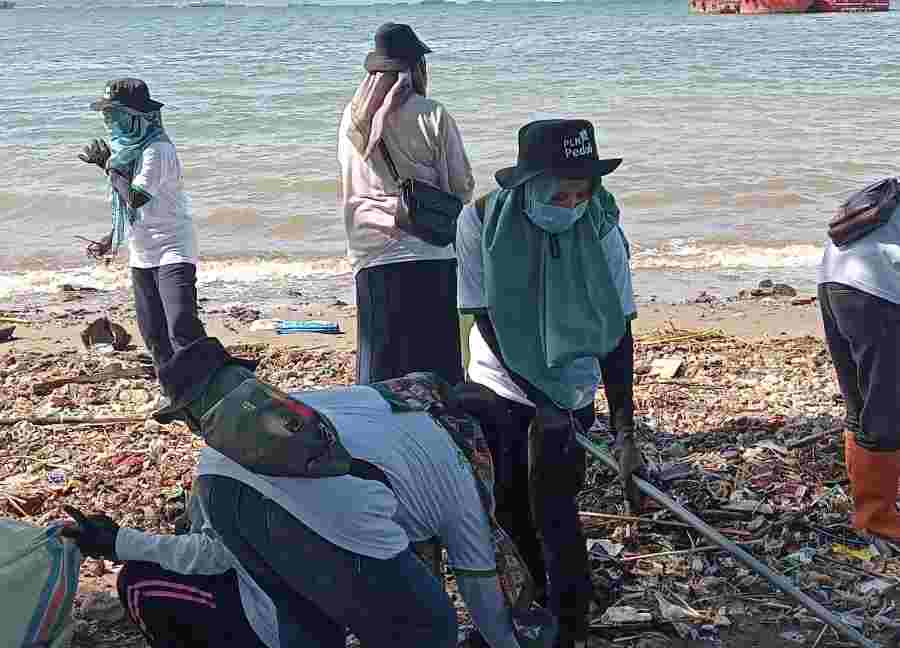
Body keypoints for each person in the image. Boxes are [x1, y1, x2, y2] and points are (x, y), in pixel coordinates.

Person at [62, 336, 542, 648]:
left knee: (304, 625)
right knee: (430, 630)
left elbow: (213, 554)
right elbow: (479, 578)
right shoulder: (461, 470)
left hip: (234, 505)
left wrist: (119, 542)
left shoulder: (350, 400)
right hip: (343, 529)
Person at [455, 119, 643, 648]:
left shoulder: (602, 226)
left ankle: (571, 624)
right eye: (558, 192)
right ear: (527, 185)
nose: (571, 203)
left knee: (556, 504)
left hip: (571, 385)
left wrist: (623, 430)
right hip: (500, 381)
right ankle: (530, 604)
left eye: (582, 192)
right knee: (508, 500)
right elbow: (482, 315)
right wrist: (538, 402)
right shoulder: (480, 221)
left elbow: (616, 327)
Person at [338, 22, 475, 386]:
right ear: (417, 68)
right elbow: (461, 187)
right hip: (431, 253)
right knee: (439, 371)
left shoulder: (351, 122)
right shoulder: (432, 113)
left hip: (374, 255)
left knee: (380, 373)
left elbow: (349, 186)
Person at [79, 78, 204, 374]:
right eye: (107, 115)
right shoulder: (126, 153)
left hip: (173, 248)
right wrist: (112, 238)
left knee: (181, 327)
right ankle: (174, 391)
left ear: (137, 116)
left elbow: (135, 197)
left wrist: (108, 165)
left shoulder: (157, 150)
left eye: (116, 114)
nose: (110, 121)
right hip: (142, 253)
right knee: (154, 335)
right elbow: (127, 204)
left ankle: (211, 383)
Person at [818, 190, 900, 542]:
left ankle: (867, 506)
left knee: (860, 402)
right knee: (885, 407)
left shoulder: (890, 194)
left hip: (835, 279)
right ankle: (877, 518)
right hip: (875, 291)